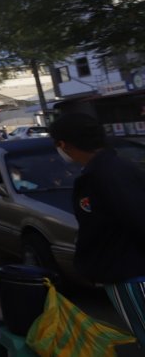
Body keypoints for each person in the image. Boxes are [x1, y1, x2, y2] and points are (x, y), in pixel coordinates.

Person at [49, 112, 145, 346]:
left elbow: (137, 220)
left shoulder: (104, 175)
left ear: (64, 144)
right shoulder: (112, 168)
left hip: (131, 276)